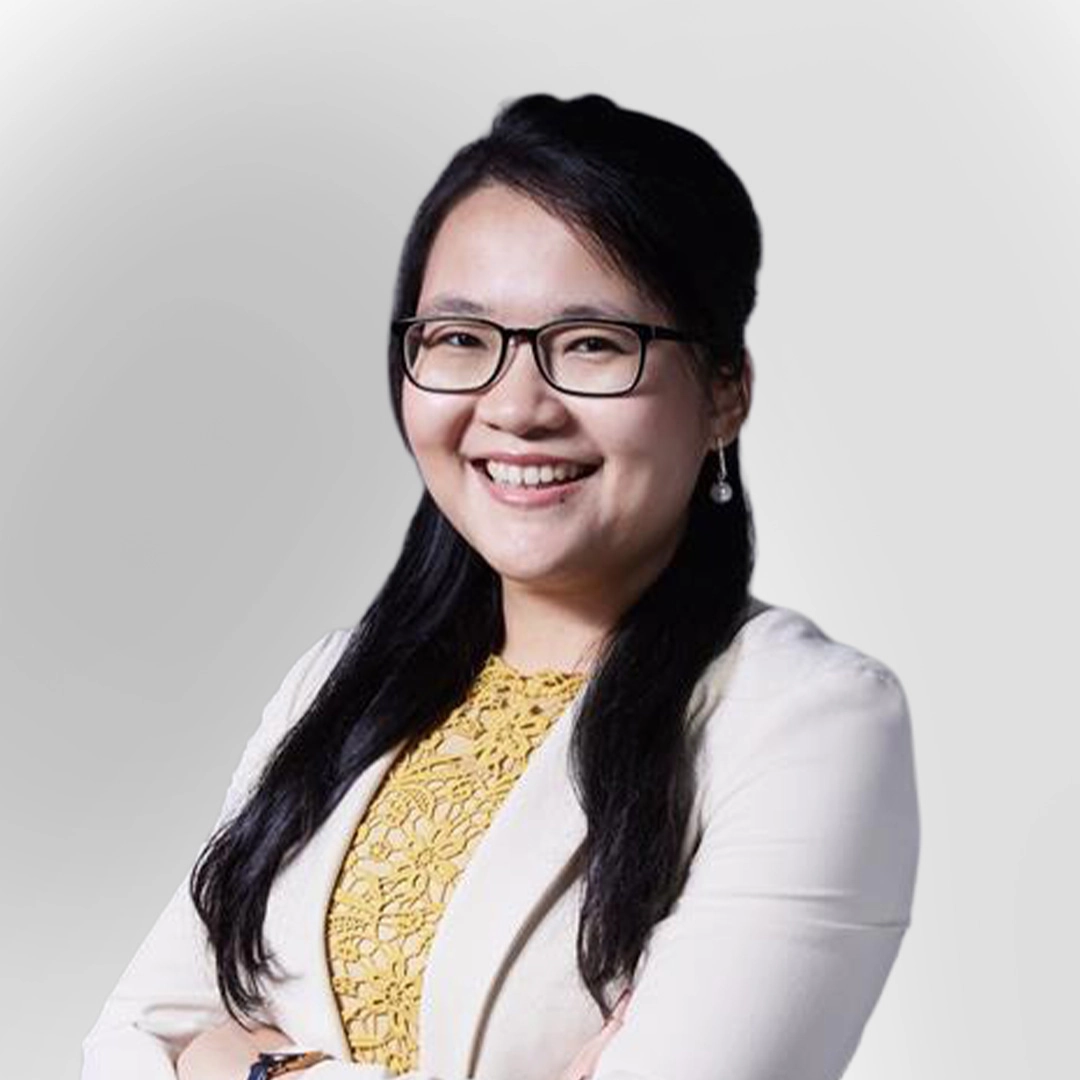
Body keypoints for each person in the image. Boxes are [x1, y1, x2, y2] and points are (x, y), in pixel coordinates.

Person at [82, 93, 920, 1080]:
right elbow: (125, 1043)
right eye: (459, 340)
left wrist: (250, 1068)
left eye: (595, 345)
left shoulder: (806, 722)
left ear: (725, 390)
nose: (515, 406)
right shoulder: (336, 685)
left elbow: (184, 1049)